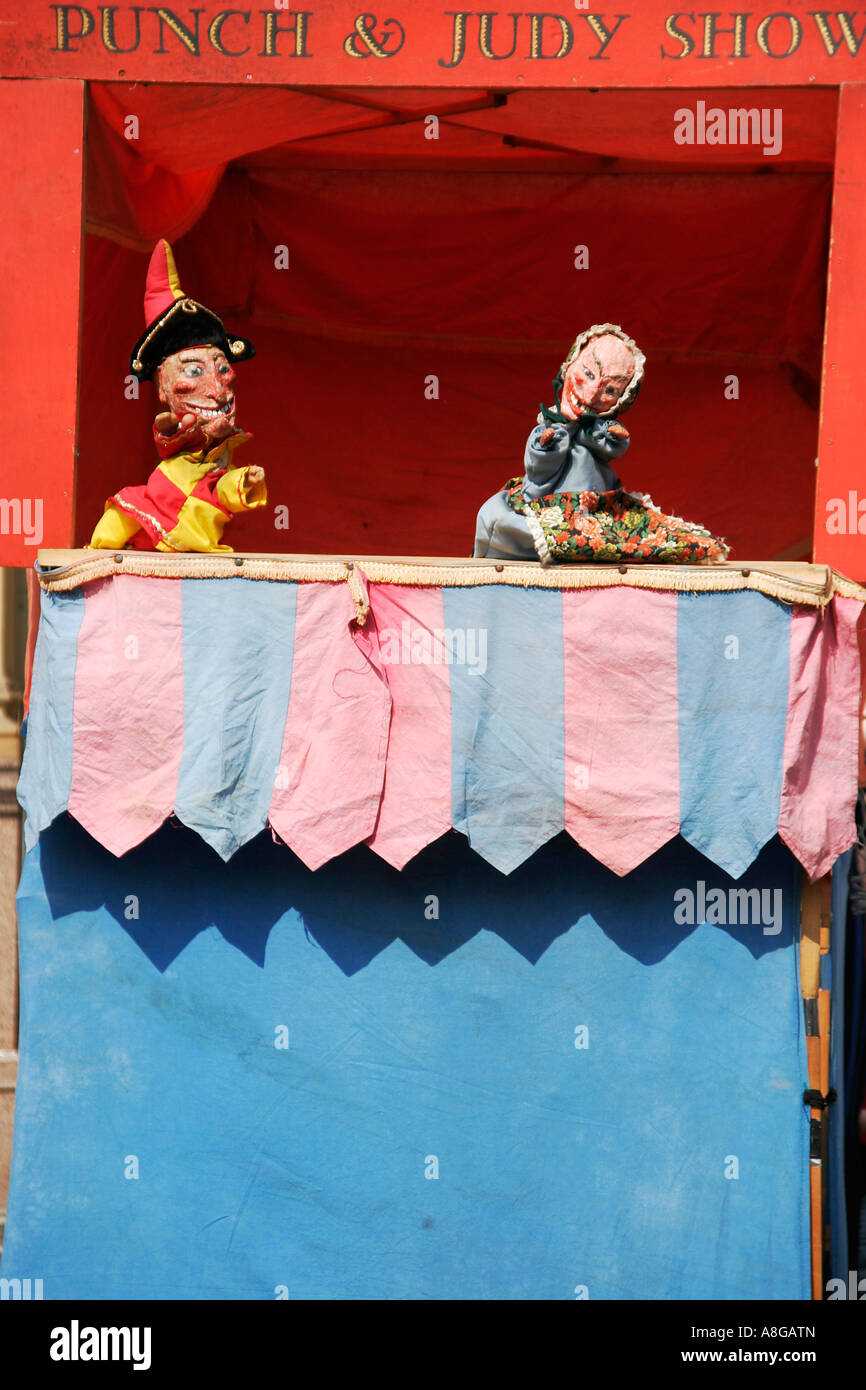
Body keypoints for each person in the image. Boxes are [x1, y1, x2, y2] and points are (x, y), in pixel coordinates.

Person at [89, 239, 266, 553]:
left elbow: (223, 489)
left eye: (223, 368)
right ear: (161, 386)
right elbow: (169, 432)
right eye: (194, 371)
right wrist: (170, 426)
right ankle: (99, 558)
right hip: (158, 503)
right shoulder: (181, 429)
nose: (216, 389)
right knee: (121, 514)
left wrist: (246, 483)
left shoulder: (220, 459)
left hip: (197, 521)